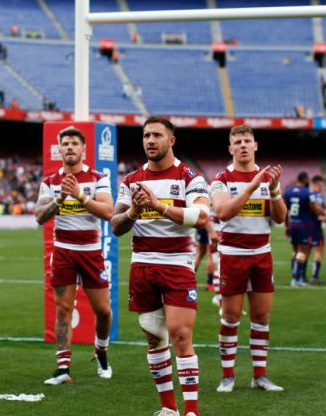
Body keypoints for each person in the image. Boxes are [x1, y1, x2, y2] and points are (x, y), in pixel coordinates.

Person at [111, 117, 210, 416]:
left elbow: (202, 217)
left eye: (157, 135)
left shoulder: (189, 176)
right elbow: (116, 226)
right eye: (146, 136)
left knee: (180, 335)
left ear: (171, 140)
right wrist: (133, 210)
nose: (150, 140)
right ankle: (168, 408)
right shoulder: (130, 180)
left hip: (177, 264)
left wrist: (159, 207)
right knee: (154, 337)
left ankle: (191, 410)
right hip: (142, 266)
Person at [210, 125, 287, 394]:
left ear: (256, 146)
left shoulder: (268, 179)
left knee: (261, 316)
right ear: (231, 148)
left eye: (247, 141)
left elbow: (280, 218)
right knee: (230, 317)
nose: (243, 145)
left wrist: (274, 190)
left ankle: (259, 376)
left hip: (261, 255)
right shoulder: (221, 179)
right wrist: (252, 187)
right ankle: (228, 376)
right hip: (232, 256)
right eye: (237, 142)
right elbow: (223, 212)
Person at [35, 127, 114, 385]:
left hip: (91, 252)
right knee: (63, 310)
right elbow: (39, 216)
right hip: (63, 251)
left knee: (103, 310)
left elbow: (107, 211)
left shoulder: (97, 177)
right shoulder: (49, 181)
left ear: (83, 149)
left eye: (74, 144)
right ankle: (63, 367)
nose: (69, 147)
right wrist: (60, 200)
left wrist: (79, 195)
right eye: (65, 144)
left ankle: (101, 350)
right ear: (59, 149)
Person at [283, 172, 318, 287]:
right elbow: (314, 208)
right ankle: (297, 279)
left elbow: (284, 210)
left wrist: (286, 225)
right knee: (303, 252)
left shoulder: (287, 192)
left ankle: (296, 276)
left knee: (295, 251)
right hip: (304, 224)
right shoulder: (308, 192)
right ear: (305, 179)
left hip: (293, 224)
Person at [308, 175, 326, 284]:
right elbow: (317, 212)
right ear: (317, 184)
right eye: (321, 184)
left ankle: (299, 276)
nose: (322, 187)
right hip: (316, 227)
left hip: (307, 226)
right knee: (319, 251)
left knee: (305, 251)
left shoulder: (309, 194)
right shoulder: (317, 196)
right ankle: (315, 276)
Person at [194, 219, 218, 291]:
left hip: (202, 222)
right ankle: (210, 283)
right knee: (210, 255)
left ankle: (188, 278)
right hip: (211, 226)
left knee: (200, 253)